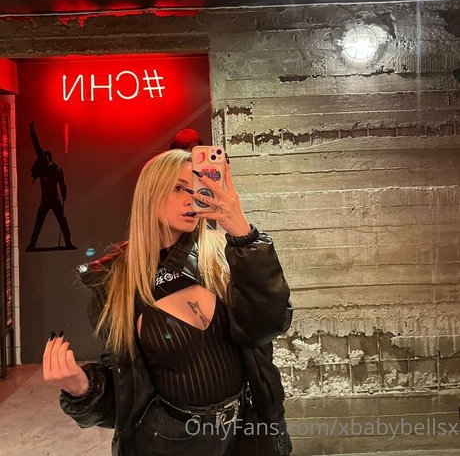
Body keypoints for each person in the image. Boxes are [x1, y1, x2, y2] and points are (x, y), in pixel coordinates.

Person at [43, 149, 292, 455]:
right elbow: (128, 393)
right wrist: (81, 387)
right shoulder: (117, 281)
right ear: (150, 195)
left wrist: (242, 233)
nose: (192, 198)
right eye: (178, 188)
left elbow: (267, 325)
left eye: (198, 188)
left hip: (246, 435)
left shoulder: (225, 254)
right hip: (169, 443)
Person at [26, 121, 76, 251]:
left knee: (62, 221)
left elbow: (62, 184)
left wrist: (64, 196)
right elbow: (36, 146)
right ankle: (32, 244)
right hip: (45, 199)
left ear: (49, 158)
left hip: (54, 199)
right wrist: (32, 131)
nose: (42, 159)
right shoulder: (43, 166)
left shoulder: (57, 169)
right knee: (39, 222)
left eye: (44, 158)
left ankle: (68, 242)